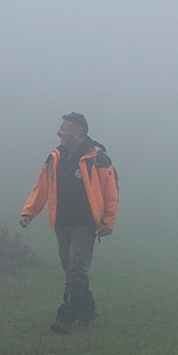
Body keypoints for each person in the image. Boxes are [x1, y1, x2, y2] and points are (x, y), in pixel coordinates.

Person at [18, 112, 119, 334]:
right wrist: (29, 212)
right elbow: (41, 187)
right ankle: (88, 308)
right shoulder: (55, 157)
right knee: (70, 268)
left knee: (76, 268)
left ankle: (65, 316)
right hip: (61, 223)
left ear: (78, 133)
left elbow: (111, 193)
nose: (58, 132)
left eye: (63, 129)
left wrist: (108, 222)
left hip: (86, 224)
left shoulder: (99, 159)